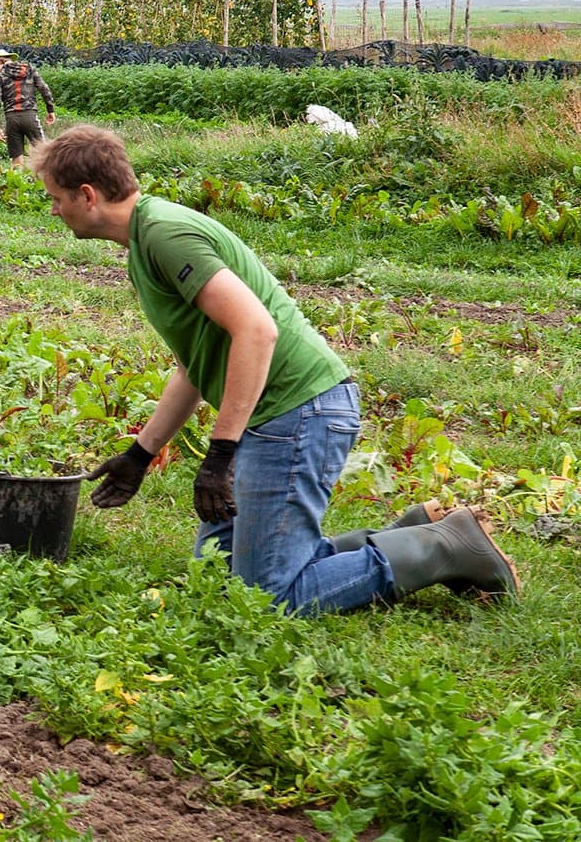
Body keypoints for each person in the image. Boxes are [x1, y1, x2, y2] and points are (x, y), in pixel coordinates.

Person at [37, 125, 521, 613]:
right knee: (217, 575)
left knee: (266, 597)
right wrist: (140, 455)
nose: (54, 210)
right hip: (273, 417)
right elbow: (192, 368)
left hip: (300, 411)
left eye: (56, 198)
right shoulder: (144, 243)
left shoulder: (166, 235)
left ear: (88, 195)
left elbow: (256, 330)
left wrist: (220, 454)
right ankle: (412, 532)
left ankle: (444, 547)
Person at [0, 48, 56, 168]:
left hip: (11, 119)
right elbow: (44, 89)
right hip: (30, 117)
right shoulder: (29, 69)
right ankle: (43, 179)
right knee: (42, 155)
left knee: (16, 161)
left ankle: (16, 179)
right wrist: (50, 110)